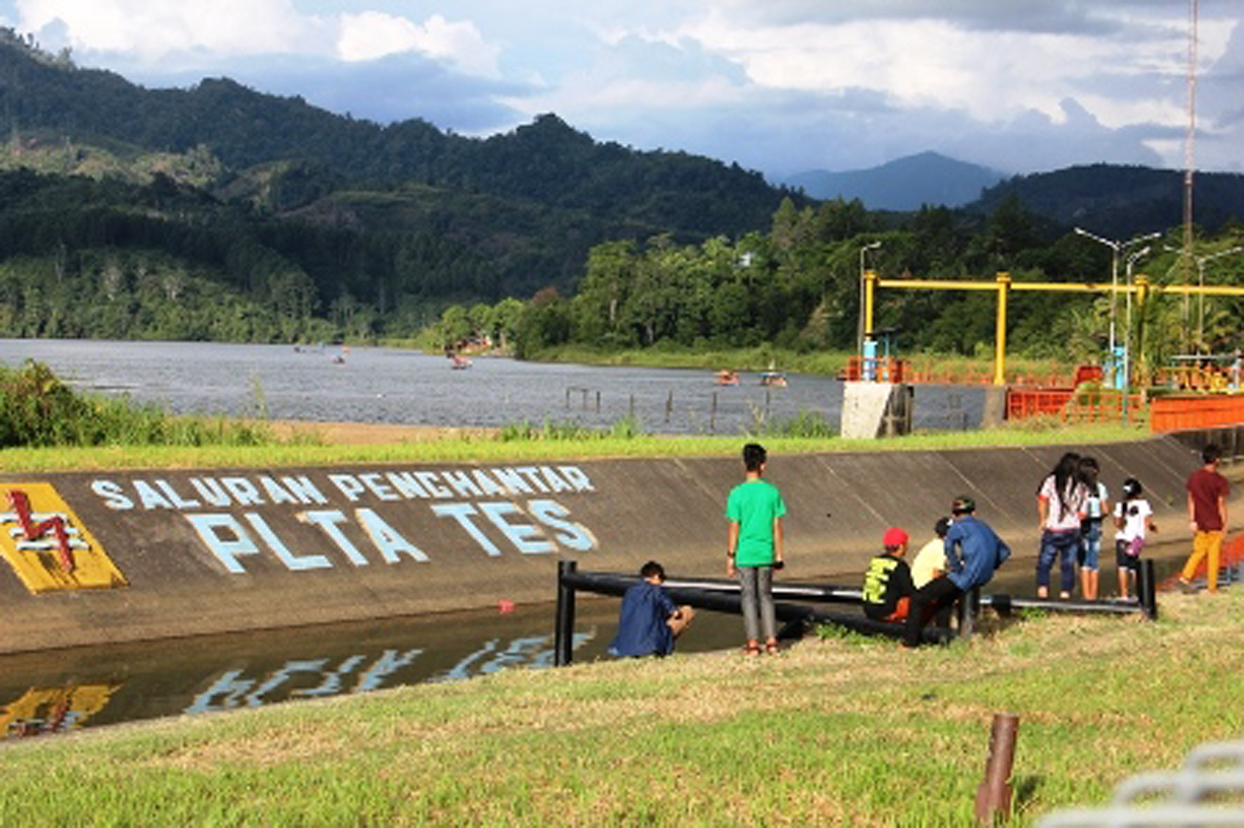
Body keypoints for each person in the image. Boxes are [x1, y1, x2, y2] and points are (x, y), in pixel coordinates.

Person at [903, 496, 1010, 648]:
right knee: (946, 598)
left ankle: (910, 642)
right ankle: (945, 636)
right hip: (984, 576)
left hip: (965, 576)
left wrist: (956, 568)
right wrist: (991, 565)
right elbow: (1005, 551)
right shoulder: (985, 526)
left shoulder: (956, 527)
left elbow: (948, 549)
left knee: (918, 598)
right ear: (974, 513)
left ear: (954, 514)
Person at [726, 442, 787, 656]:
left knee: (748, 597)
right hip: (765, 552)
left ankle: (752, 643)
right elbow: (776, 526)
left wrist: (730, 555)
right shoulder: (772, 493)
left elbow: (734, 526)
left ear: (744, 464)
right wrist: (779, 554)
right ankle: (771, 641)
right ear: (763, 465)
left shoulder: (736, 494)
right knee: (766, 596)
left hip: (745, 553)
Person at [608, 561, 695, 658]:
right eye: (662, 578)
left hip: (624, 647)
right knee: (688, 611)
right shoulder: (657, 591)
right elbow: (675, 613)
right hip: (650, 644)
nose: (662, 582)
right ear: (656, 576)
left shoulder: (629, 592)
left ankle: (638, 651)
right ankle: (659, 650)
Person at [1036, 452, 1089, 599]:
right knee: (1067, 565)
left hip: (1053, 528)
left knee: (1044, 564)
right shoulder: (1082, 485)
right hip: (1073, 530)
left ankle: (1043, 594)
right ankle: (1065, 595)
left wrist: (1043, 519)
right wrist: (1073, 519)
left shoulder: (1051, 481)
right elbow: (1083, 512)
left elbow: (1042, 499)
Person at [1179, 444, 1230, 594]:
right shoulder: (1220, 481)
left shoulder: (1195, 477)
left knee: (1198, 551)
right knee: (1214, 555)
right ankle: (1211, 587)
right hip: (1214, 522)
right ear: (1217, 460)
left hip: (1199, 522)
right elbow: (1221, 504)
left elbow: (1190, 499)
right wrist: (1225, 524)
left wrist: (1192, 520)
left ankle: (1186, 576)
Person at [1113, 478, 1157, 601]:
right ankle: (1139, 593)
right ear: (1138, 492)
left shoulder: (1120, 505)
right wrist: (1153, 528)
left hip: (1122, 539)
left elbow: (1117, 524)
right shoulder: (1144, 504)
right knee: (1134, 567)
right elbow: (1147, 522)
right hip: (1135, 540)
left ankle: (1124, 594)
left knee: (1122, 567)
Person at [863, 527, 915, 622]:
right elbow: (909, 591)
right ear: (901, 546)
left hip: (868, 609)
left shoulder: (875, 561)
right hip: (885, 611)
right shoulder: (900, 565)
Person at [1078, 456, 1111, 601]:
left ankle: (1087, 597)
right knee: (1094, 561)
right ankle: (1094, 596)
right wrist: (1099, 516)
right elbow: (1106, 510)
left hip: (1081, 526)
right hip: (1096, 525)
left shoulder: (1078, 488)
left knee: (1084, 563)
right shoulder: (1100, 487)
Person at [910, 516, 951, 589]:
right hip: (923, 587)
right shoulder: (940, 548)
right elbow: (936, 574)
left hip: (918, 584)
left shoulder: (934, 544)